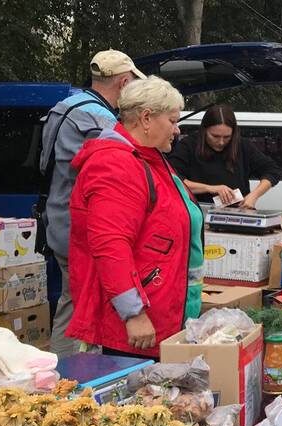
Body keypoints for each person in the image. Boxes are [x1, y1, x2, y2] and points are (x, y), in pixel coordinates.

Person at [67, 76, 203, 358]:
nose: (177, 130)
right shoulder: (115, 164)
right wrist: (133, 313)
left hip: (161, 312)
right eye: (173, 121)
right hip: (136, 326)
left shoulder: (150, 158)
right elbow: (110, 244)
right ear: (146, 118)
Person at [40, 49, 144, 357]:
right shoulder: (99, 117)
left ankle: (62, 370)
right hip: (80, 230)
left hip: (57, 220)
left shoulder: (64, 107)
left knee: (71, 300)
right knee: (79, 306)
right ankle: (67, 377)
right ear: (124, 82)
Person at [168, 105, 281, 207]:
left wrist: (254, 196)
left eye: (227, 137)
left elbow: (272, 171)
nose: (221, 142)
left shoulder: (243, 146)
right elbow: (173, 180)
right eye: (215, 136)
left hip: (238, 212)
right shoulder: (188, 146)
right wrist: (211, 188)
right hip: (198, 211)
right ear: (204, 130)